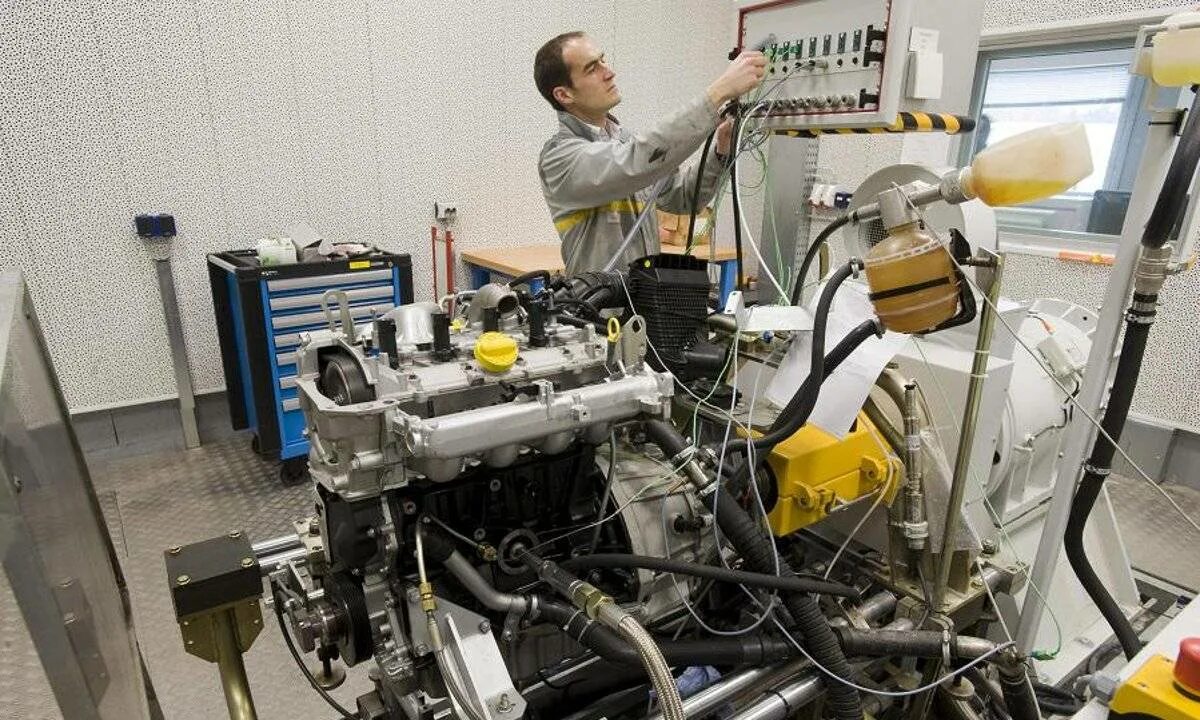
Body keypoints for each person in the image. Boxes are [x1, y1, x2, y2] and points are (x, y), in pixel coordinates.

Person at [534, 32, 766, 275]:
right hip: (600, 299)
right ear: (564, 94)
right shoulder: (560, 158)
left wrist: (720, 150)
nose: (609, 72)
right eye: (592, 68)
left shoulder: (624, 142)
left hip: (647, 293)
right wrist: (718, 93)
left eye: (603, 60)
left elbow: (683, 198)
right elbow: (635, 161)